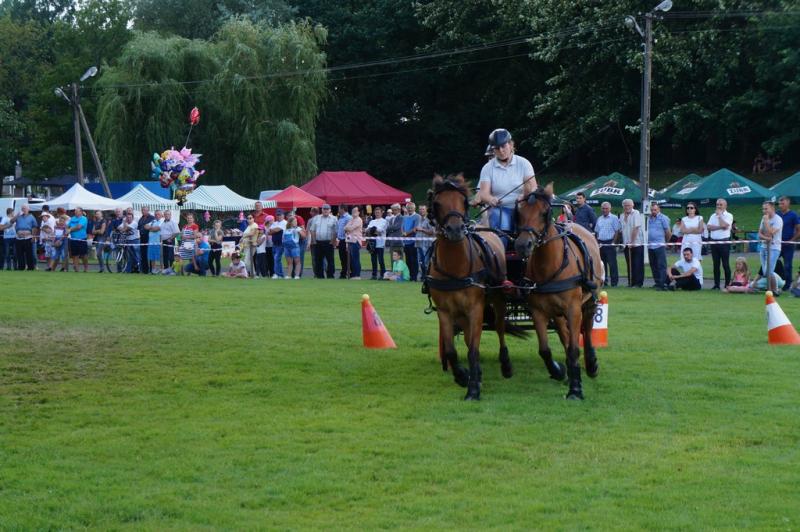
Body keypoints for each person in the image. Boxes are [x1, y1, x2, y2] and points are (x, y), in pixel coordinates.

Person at [476, 128, 536, 234]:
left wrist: (524, 196)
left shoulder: (524, 163)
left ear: (511, 145)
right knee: (500, 224)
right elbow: (483, 193)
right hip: (500, 209)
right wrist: (490, 199)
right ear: (493, 150)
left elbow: (533, 188)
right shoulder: (487, 168)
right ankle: (500, 244)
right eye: (497, 148)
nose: (501, 151)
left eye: (503, 146)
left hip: (523, 208)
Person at [706, 198, 734, 289]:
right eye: (717, 204)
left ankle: (727, 284)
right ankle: (716, 285)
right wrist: (719, 227)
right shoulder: (712, 215)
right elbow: (708, 227)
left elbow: (725, 226)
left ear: (725, 206)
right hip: (714, 242)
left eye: (721, 205)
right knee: (716, 264)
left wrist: (720, 216)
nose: (718, 206)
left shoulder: (729, 215)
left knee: (725, 264)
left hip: (724, 242)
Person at [758, 200, 783, 294]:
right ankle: (774, 289)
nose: (764, 211)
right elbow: (760, 234)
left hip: (774, 248)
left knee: (769, 270)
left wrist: (766, 222)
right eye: (763, 209)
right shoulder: (763, 218)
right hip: (763, 247)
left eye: (766, 209)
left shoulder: (778, 220)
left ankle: (774, 289)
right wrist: (766, 238)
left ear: (772, 208)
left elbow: (770, 232)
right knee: (765, 272)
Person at [594, 201, 621, 287]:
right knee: (602, 264)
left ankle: (614, 282)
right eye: (603, 208)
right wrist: (597, 242)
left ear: (610, 209)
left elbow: (617, 231)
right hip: (601, 243)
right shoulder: (599, 218)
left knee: (612, 264)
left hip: (610, 242)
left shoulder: (614, 218)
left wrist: (613, 242)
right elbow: (597, 231)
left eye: (606, 208)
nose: (604, 210)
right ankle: (604, 281)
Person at [619, 199, 644, 287]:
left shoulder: (636, 213)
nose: (627, 207)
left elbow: (636, 228)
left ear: (632, 205)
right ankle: (631, 282)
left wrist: (632, 242)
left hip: (636, 243)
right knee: (629, 264)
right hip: (626, 244)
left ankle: (638, 283)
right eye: (625, 205)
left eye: (628, 205)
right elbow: (621, 230)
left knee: (637, 264)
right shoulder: (621, 216)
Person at [777, 196, 800, 290]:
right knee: (772, 262)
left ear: (788, 203)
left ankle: (787, 285)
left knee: (788, 265)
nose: (780, 205)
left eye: (782, 203)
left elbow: (799, 230)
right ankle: (776, 281)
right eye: (779, 203)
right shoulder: (777, 214)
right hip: (777, 244)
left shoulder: (793, 215)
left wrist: (791, 240)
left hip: (788, 245)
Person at [647, 203, 671, 290]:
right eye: (652, 210)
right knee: (653, 265)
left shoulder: (663, 218)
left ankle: (662, 283)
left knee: (661, 265)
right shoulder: (648, 218)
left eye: (655, 210)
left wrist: (666, 242)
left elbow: (668, 232)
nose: (653, 211)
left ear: (659, 209)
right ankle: (657, 282)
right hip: (650, 245)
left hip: (660, 245)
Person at [310, 204, 337, 279]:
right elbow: (312, 230)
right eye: (324, 209)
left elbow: (336, 231)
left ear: (330, 210)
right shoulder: (316, 218)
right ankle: (319, 276)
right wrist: (314, 240)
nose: (325, 210)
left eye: (327, 209)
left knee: (330, 260)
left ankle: (330, 276)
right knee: (318, 260)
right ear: (321, 210)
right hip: (318, 242)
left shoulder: (334, 218)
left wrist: (333, 241)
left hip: (329, 242)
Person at [10, 204, 37, 270]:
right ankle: (21, 267)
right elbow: (11, 221)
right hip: (19, 238)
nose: (23, 210)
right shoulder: (18, 216)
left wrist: (33, 237)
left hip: (28, 237)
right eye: (22, 208)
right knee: (19, 254)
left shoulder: (31, 217)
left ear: (28, 209)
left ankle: (30, 267)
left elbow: (34, 227)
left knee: (29, 253)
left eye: (24, 208)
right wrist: (17, 215)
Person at [366, 206, 387, 280]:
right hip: (372, 243)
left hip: (380, 243)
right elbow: (367, 230)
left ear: (381, 213)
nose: (377, 213)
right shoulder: (372, 221)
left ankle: (383, 275)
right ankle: (374, 275)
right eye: (376, 212)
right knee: (373, 260)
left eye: (378, 212)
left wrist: (373, 230)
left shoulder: (384, 221)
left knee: (381, 260)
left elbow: (380, 230)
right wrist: (373, 230)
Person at [66, 206, 89, 272]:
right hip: (73, 239)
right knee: (75, 255)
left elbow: (79, 227)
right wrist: (67, 230)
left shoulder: (84, 218)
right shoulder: (72, 218)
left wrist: (70, 230)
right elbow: (67, 226)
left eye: (77, 211)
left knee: (83, 255)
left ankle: (86, 268)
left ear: (81, 212)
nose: (75, 212)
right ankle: (76, 269)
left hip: (82, 239)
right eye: (75, 211)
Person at [283, 214, 306, 279]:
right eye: (294, 221)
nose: (296, 223)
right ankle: (289, 275)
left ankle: (297, 275)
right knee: (289, 262)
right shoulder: (286, 229)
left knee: (297, 261)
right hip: (287, 247)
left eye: (296, 221)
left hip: (295, 247)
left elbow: (304, 236)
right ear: (290, 222)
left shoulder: (298, 228)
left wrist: (300, 232)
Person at [402, 202, 421, 281]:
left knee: (414, 260)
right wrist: (403, 232)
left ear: (414, 208)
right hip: (406, 242)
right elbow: (402, 227)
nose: (410, 209)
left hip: (413, 241)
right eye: (408, 208)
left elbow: (415, 228)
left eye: (411, 208)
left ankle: (414, 277)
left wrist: (406, 233)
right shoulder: (405, 217)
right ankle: (409, 275)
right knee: (408, 260)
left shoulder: (417, 217)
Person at [344, 206, 364, 279]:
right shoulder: (351, 219)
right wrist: (348, 228)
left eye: (355, 211)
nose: (353, 212)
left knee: (355, 259)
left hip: (356, 241)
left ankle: (357, 274)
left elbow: (350, 228)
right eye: (352, 211)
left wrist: (348, 228)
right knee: (351, 259)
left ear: (359, 212)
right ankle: (353, 274)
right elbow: (345, 228)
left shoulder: (359, 220)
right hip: (350, 241)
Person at [415, 205, 434, 276]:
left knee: (426, 263)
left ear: (426, 210)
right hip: (418, 244)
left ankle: (427, 277)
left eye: (423, 209)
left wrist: (422, 229)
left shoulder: (429, 220)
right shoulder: (418, 219)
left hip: (426, 245)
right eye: (420, 209)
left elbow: (432, 232)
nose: (421, 211)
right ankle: (422, 276)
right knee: (420, 262)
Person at [269, 209, 288, 278]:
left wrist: (274, 230)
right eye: (277, 215)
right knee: (277, 259)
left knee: (276, 258)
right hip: (274, 243)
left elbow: (276, 230)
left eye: (280, 215)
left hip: (281, 243)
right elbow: (269, 232)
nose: (278, 216)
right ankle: (280, 274)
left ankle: (277, 274)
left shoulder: (285, 222)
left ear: (283, 215)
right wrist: (274, 230)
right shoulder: (275, 223)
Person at [160, 210, 180, 274]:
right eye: (165, 214)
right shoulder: (163, 223)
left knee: (170, 256)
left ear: (170, 215)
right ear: (164, 215)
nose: (167, 215)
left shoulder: (173, 222)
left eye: (168, 214)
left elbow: (177, 232)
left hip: (170, 241)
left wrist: (170, 238)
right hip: (164, 241)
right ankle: (166, 269)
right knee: (165, 256)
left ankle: (172, 270)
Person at [137, 206, 155, 274]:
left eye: (145, 210)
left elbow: (152, 227)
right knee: (143, 254)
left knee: (149, 253)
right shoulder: (141, 219)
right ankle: (145, 270)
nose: (144, 211)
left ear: (148, 211)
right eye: (143, 210)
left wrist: (148, 227)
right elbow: (139, 228)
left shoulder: (152, 218)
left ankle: (151, 269)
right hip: (142, 237)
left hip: (149, 237)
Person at [335, 205, 351, 279]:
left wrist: (347, 242)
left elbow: (349, 230)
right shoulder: (340, 218)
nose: (338, 210)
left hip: (346, 240)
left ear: (342, 209)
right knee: (342, 258)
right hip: (341, 240)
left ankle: (348, 272)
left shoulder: (348, 218)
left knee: (347, 258)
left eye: (339, 209)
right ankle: (344, 273)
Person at [306, 206, 320, 276]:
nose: (310, 212)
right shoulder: (322, 219)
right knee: (323, 258)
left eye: (311, 211)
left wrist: (308, 243)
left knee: (314, 258)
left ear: (314, 212)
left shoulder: (310, 220)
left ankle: (316, 274)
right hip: (321, 240)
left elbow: (308, 232)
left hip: (313, 242)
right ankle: (324, 273)